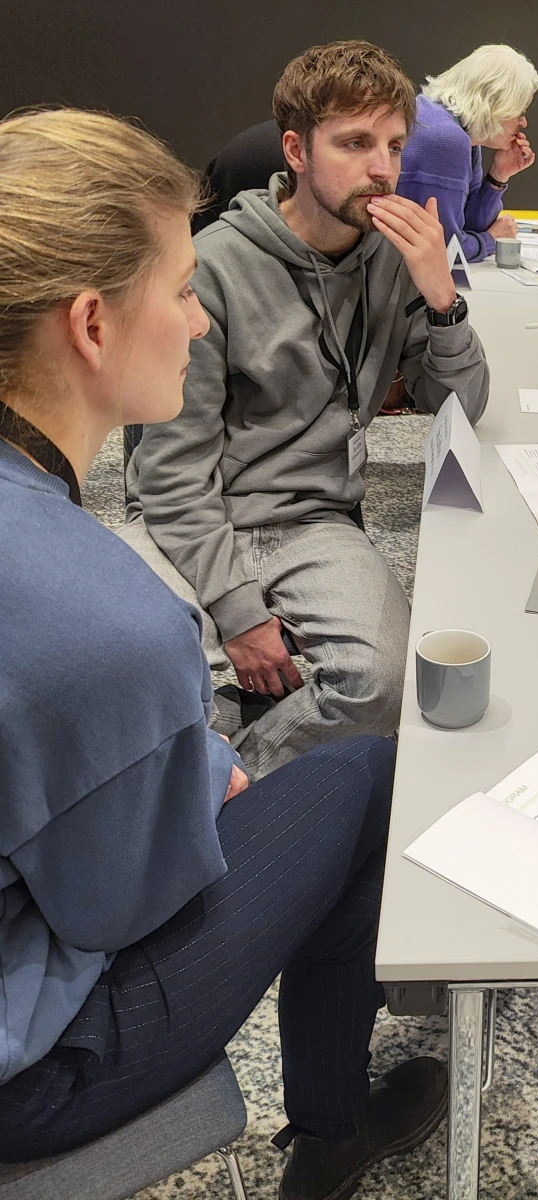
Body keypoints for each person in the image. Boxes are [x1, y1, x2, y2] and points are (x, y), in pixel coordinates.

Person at [0, 107, 447, 1200]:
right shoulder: (114, 625)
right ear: (93, 325)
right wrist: (196, 772)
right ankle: (334, 1127)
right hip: (33, 1071)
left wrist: (179, 762)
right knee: (371, 778)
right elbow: (121, 906)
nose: (201, 322)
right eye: (184, 290)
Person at [122, 40, 490, 781]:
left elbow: (464, 408)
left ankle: (231, 785)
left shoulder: (395, 258)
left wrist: (443, 299)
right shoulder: (216, 265)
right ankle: (184, 781)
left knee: (384, 685)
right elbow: (168, 471)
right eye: (354, 143)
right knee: (126, 681)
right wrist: (240, 612)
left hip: (314, 520)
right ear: (296, 149)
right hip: (198, 509)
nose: (382, 167)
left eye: (392, 145)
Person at [397, 43, 538, 262]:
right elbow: (445, 252)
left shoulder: (461, 132)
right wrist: (492, 240)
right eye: (521, 111)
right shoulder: (446, 139)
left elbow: (467, 224)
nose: (524, 122)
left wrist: (497, 177)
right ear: (497, 104)